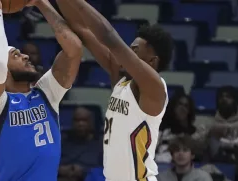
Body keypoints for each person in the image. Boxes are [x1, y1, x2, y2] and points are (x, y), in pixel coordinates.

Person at [57, 0, 174, 180]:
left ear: (152, 61)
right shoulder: (121, 80)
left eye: (134, 50)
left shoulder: (155, 88)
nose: (126, 52)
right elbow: (80, 29)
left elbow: (108, 36)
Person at [0, 0, 82, 180]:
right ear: (5, 69)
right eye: (16, 55)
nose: (25, 56)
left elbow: (74, 49)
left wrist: (41, 3)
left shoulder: (46, 92)